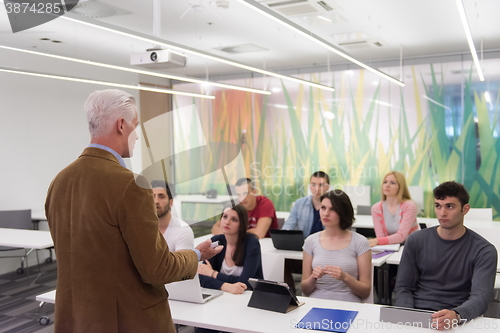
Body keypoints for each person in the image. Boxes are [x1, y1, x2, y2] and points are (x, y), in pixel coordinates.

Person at [45, 89, 222, 333]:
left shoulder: (59, 181)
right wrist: (196, 255)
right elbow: (156, 269)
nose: (137, 135)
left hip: (76, 317)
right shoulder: (131, 185)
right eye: (135, 126)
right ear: (121, 125)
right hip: (125, 320)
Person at [394, 181, 497, 330]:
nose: (442, 213)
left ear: (465, 209)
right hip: (417, 314)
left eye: (450, 206)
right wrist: (409, 316)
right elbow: (403, 287)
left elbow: (481, 297)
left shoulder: (484, 250)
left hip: (458, 318)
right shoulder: (415, 240)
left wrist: (457, 315)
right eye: (438, 206)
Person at [301, 190, 372, 302]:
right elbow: (305, 290)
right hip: (316, 304)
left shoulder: (360, 242)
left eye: (332, 209)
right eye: (323, 208)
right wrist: (313, 278)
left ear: (343, 212)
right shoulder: (310, 241)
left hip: (348, 304)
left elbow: (365, 292)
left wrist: (345, 277)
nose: (326, 213)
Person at [199, 204, 264, 294]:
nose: (227, 222)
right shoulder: (216, 241)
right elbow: (201, 276)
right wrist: (226, 286)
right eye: (225, 217)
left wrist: (213, 274)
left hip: (249, 297)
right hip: (224, 296)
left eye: (234, 219)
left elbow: (245, 283)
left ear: (242, 225)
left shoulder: (252, 243)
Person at [211, 178, 278, 238]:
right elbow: (215, 227)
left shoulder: (265, 204)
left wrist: (231, 233)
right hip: (243, 243)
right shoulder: (237, 206)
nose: (242, 198)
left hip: (266, 246)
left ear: (254, 192)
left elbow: (259, 233)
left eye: (245, 193)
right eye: (239, 194)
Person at [369, 171, 419, 247]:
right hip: (391, 246)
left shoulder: (410, 206)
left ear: (400, 187)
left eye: (392, 183)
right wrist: (379, 241)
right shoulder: (376, 208)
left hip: (412, 246)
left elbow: (401, 236)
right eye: (385, 182)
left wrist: (377, 241)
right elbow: (381, 236)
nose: (387, 185)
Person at [282, 171, 331, 238]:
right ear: (310, 186)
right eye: (313, 184)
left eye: (321, 185)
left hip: (327, 245)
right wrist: (283, 236)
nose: (317, 189)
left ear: (328, 187)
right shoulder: (299, 204)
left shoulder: (334, 206)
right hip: (304, 245)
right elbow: (289, 224)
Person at [151, 180, 194, 251]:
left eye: (161, 197)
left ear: (171, 202)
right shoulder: (140, 228)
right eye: (152, 196)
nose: (156, 201)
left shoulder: (183, 230)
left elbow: (182, 262)